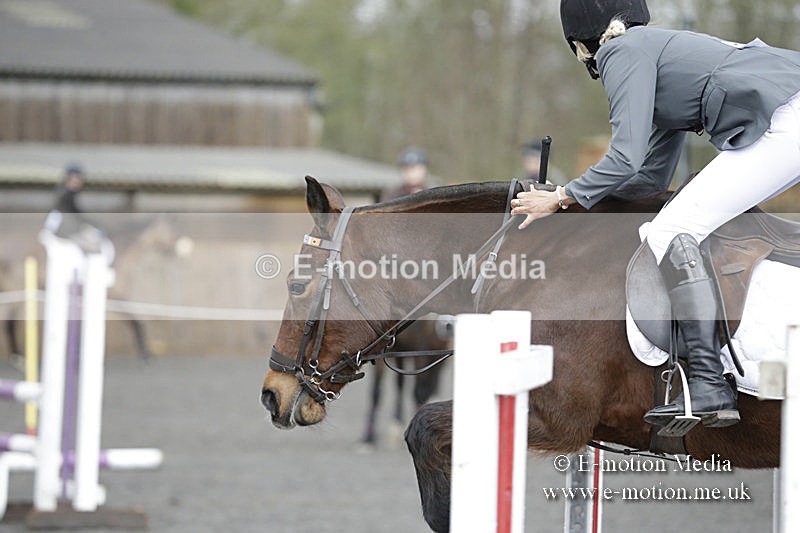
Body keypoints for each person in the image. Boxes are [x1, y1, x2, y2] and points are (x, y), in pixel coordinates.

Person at [510, 0, 800, 429]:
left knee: (674, 230)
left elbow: (623, 158)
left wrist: (564, 197)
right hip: (787, 111)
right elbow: (648, 178)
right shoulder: (655, 51)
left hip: (786, 118)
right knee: (673, 221)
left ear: (579, 42)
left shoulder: (619, 53)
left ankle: (707, 384)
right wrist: (572, 201)